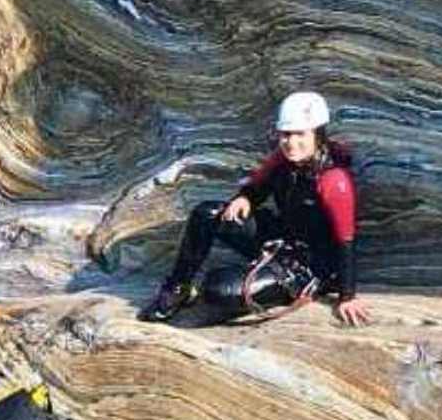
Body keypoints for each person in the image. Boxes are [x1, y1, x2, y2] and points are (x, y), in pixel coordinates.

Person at [143, 91, 369, 327]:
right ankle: (178, 287)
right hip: (283, 238)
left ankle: (244, 281)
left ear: (318, 135)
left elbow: (346, 241)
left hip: (308, 268)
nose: (291, 143)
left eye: (300, 134)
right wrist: (245, 199)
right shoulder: (282, 159)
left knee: (218, 290)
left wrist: (347, 296)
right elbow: (257, 187)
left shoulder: (334, 179)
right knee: (206, 213)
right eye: (285, 135)